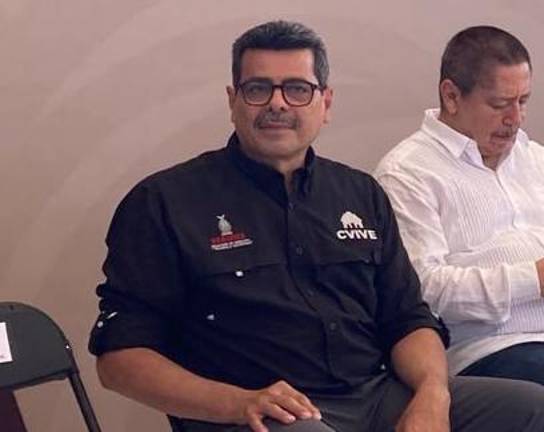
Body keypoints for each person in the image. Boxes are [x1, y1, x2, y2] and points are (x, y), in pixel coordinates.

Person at [90, 21, 544, 432]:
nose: (277, 103)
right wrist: (236, 403)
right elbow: (119, 358)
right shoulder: (165, 202)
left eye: (297, 89)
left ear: (325, 103)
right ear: (232, 101)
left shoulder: (360, 194)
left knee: (530, 407)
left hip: (375, 397)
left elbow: (408, 318)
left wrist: (432, 395)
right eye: (258, 89)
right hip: (259, 413)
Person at [375, 25, 544, 385]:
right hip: (491, 350)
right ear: (451, 96)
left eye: (523, 101)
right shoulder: (408, 173)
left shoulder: (534, 158)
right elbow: (426, 291)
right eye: (499, 104)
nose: (515, 119)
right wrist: (535, 279)